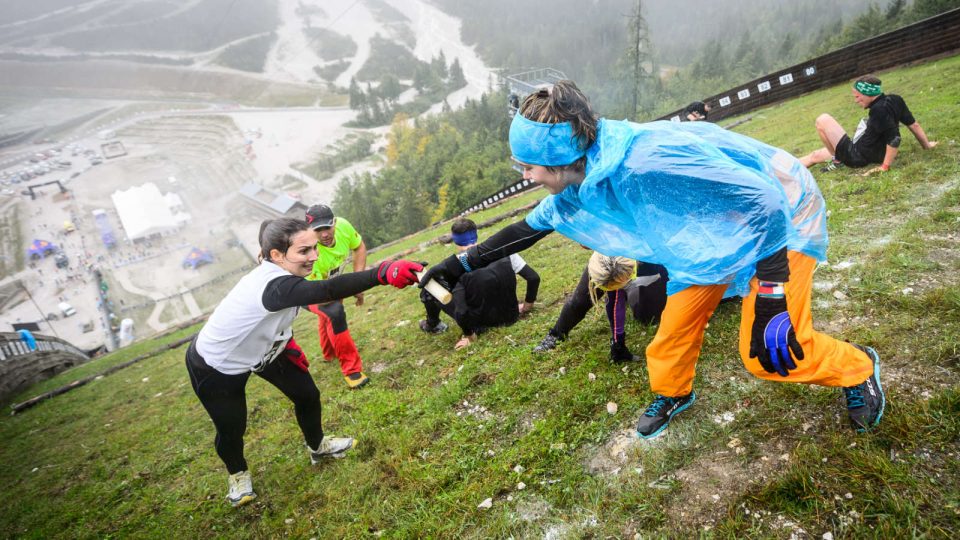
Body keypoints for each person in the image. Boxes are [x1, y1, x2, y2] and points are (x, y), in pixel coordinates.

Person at [420, 80, 885, 440]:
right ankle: (673, 394)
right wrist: (460, 264)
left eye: (528, 167)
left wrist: (770, 294)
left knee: (768, 352)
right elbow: (530, 227)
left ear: (558, 158)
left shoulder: (644, 160)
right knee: (671, 336)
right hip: (705, 242)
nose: (525, 176)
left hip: (781, 219)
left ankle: (858, 369)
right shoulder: (584, 176)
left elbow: (763, 199)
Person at [185, 218, 421, 507]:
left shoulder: (282, 273)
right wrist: (381, 273)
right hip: (218, 365)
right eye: (304, 251)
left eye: (314, 248)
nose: (314, 257)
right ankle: (237, 473)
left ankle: (318, 447)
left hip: (268, 349)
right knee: (232, 428)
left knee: (308, 395)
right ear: (276, 255)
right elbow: (327, 290)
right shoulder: (273, 286)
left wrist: (287, 343)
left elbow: (276, 314)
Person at [419, 218, 540, 350]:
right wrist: (527, 306)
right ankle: (434, 324)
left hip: (481, 326)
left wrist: (470, 336)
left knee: (429, 288)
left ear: (455, 240)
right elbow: (533, 278)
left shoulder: (456, 267)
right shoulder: (501, 250)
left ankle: (433, 324)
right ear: (476, 235)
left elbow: (462, 311)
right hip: (511, 315)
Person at [533, 252, 667, 363]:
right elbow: (614, 299)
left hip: (646, 260)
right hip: (610, 262)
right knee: (580, 300)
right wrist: (618, 342)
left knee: (648, 317)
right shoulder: (603, 259)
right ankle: (557, 333)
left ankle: (633, 292)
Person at [799, 74, 937, 174]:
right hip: (868, 150)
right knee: (815, 155)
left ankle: (837, 160)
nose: (856, 101)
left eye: (857, 96)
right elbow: (913, 125)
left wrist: (884, 167)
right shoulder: (895, 99)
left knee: (822, 119)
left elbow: (894, 138)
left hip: (857, 156)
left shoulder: (878, 110)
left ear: (868, 93)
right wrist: (927, 145)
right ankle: (784, 169)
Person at [303, 204, 372, 389]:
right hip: (304, 290)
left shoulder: (344, 226)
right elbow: (320, 293)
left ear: (334, 222)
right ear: (310, 231)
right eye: (318, 230)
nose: (324, 234)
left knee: (329, 313)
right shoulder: (309, 251)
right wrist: (347, 289)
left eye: (327, 227)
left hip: (329, 280)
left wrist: (358, 282)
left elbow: (359, 247)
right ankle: (352, 370)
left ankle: (328, 353)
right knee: (334, 311)